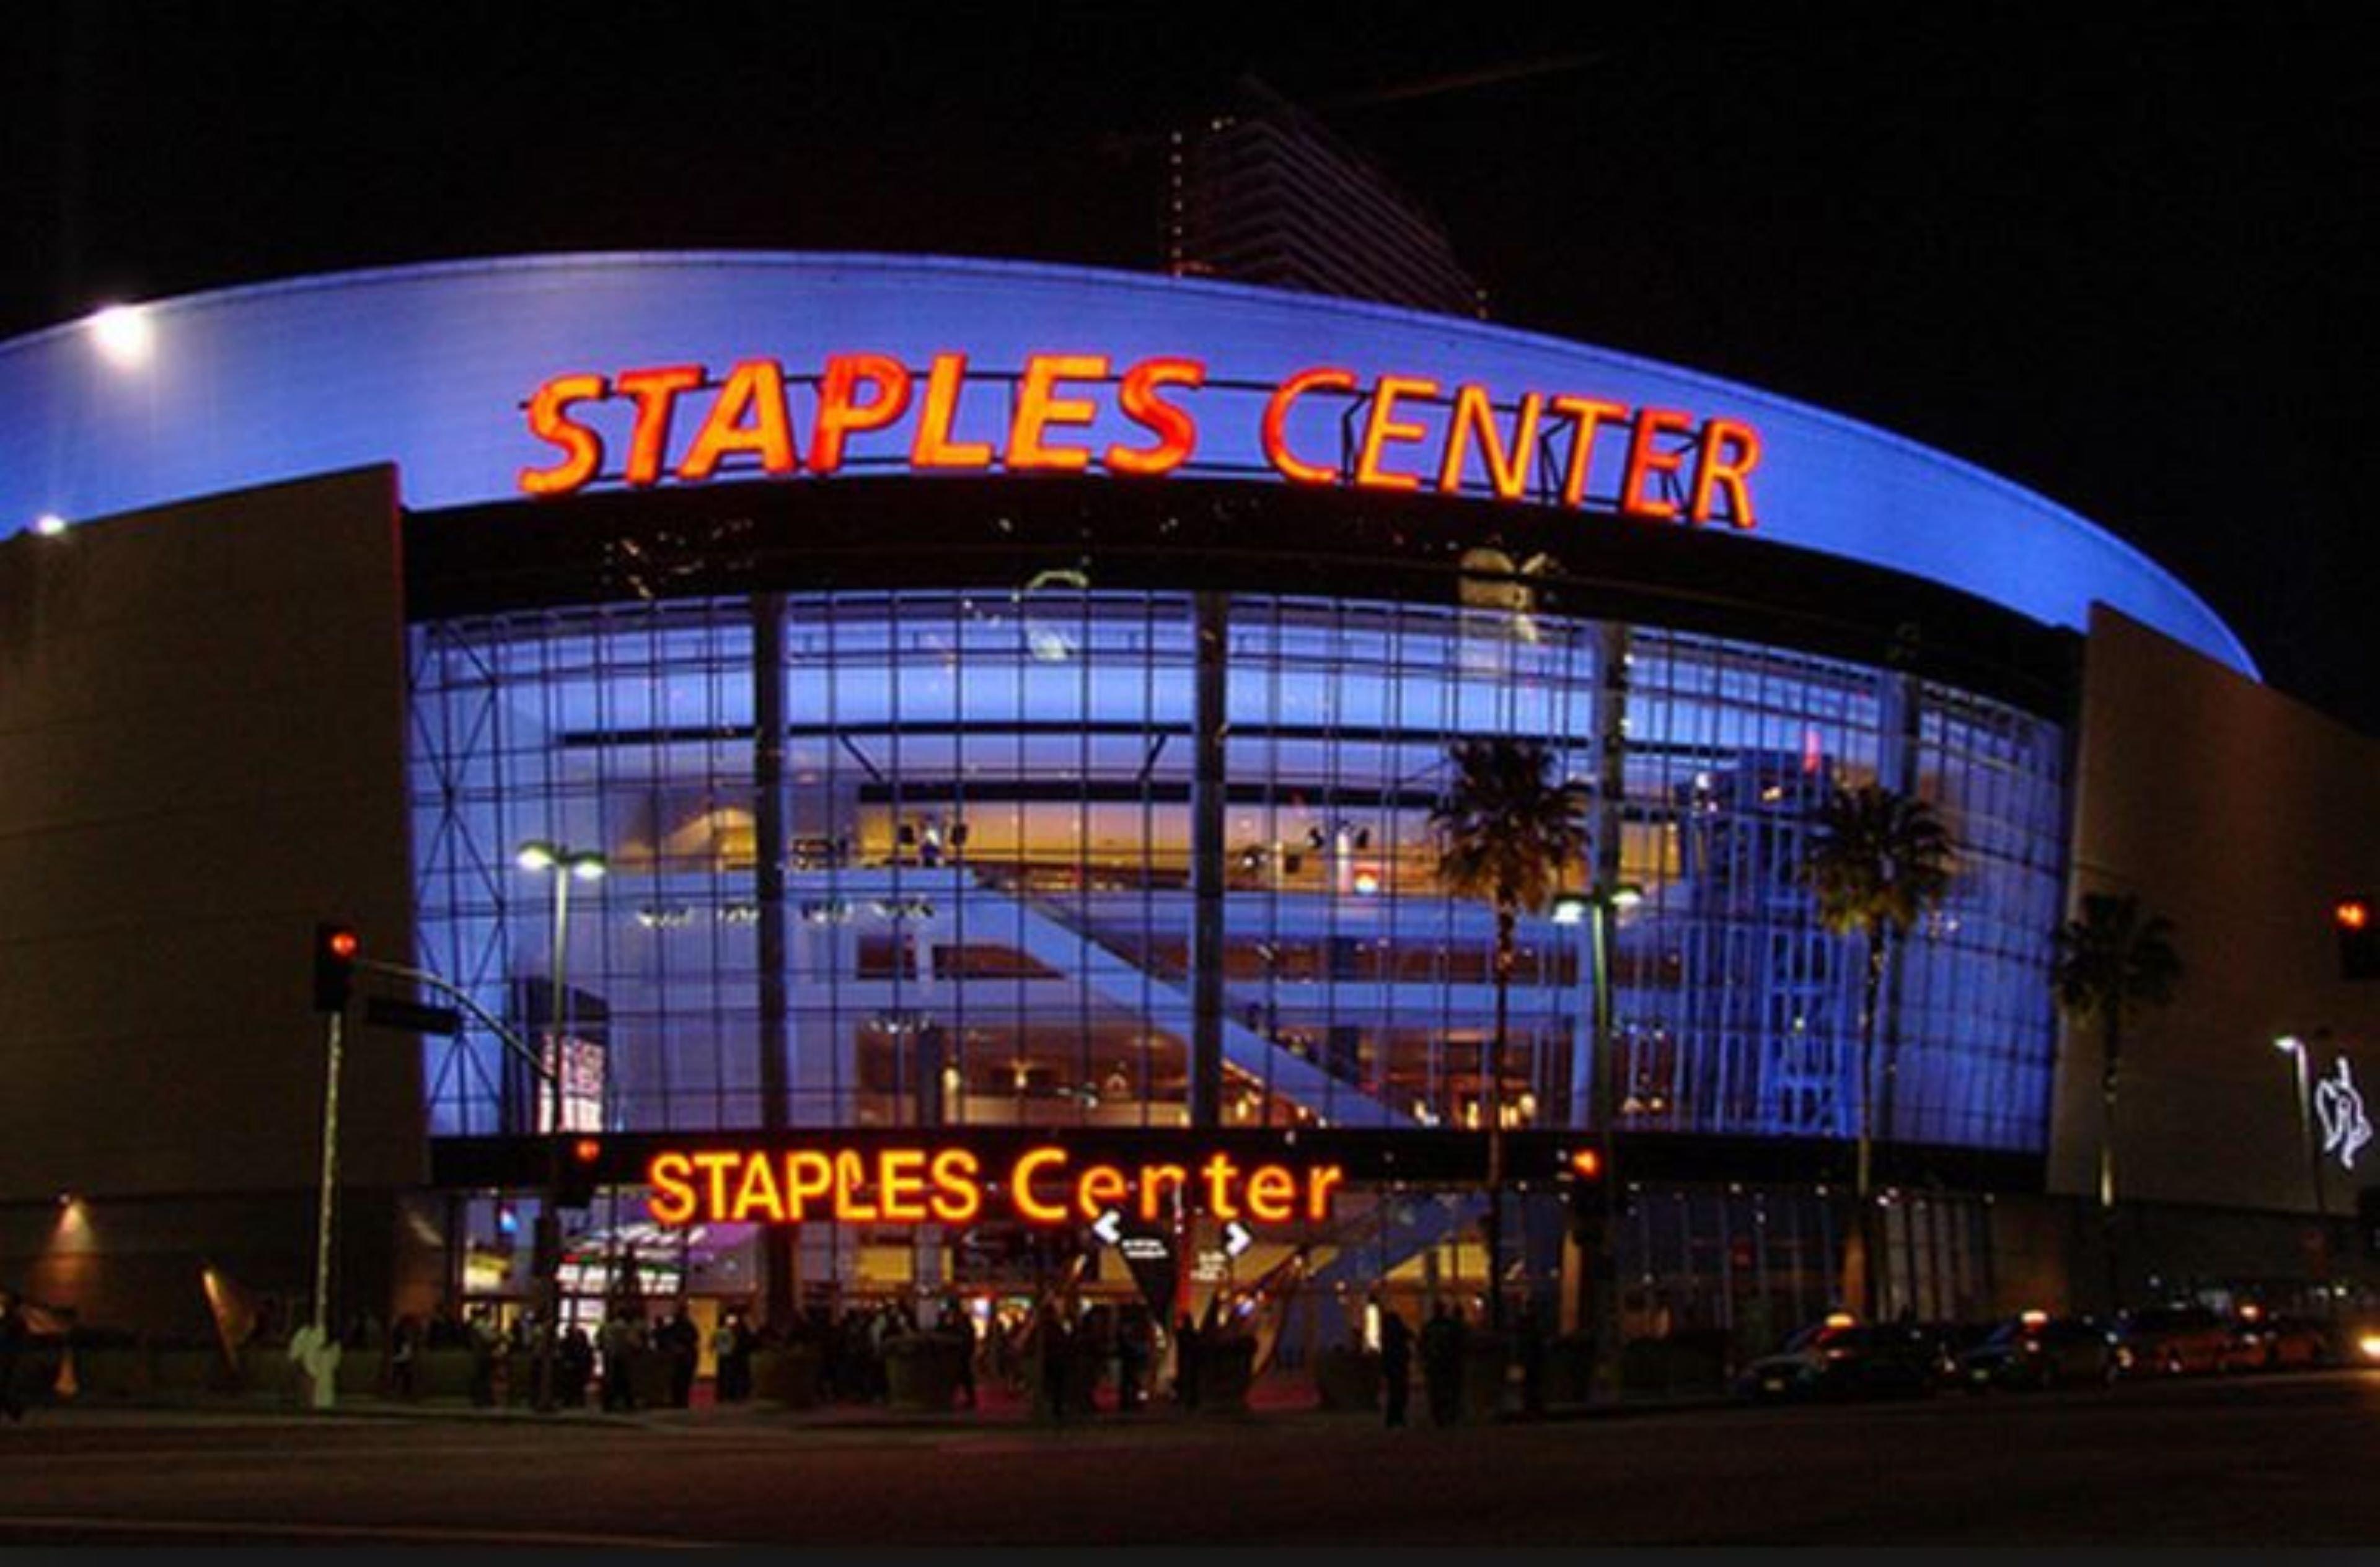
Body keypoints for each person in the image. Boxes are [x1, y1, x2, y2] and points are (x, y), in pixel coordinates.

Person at [1421, 1301, 1463, 1428]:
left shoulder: (1430, 1327)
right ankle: (1447, 1415)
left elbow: (1423, 1345)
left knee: (1439, 1391)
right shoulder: (1449, 1326)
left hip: (1439, 1363)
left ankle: (1442, 1416)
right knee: (1447, 1390)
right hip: (1446, 1363)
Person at [1378, 1304, 1413, 1429]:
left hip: (1393, 1367)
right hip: (1399, 1366)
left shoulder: (1387, 1335)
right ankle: (1397, 1417)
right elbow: (1411, 1335)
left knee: (1395, 1393)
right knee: (1400, 1393)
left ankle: (1393, 1418)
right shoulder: (1398, 1333)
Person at [0, 1289, 27, 1423]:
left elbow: (9, 1337)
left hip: (9, 1356)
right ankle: (14, 1411)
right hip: (8, 1356)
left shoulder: (16, 1320)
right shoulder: (13, 1319)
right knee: (5, 1385)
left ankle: (14, 1411)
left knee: (5, 1385)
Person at [1173, 1314, 1202, 1412]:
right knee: (1189, 1380)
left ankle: (1189, 1401)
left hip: (1189, 1362)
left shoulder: (1187, 1335)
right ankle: (1188, 1401)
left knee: (1190, 1380)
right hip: (1187, 1362)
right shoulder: (1186, 1335)